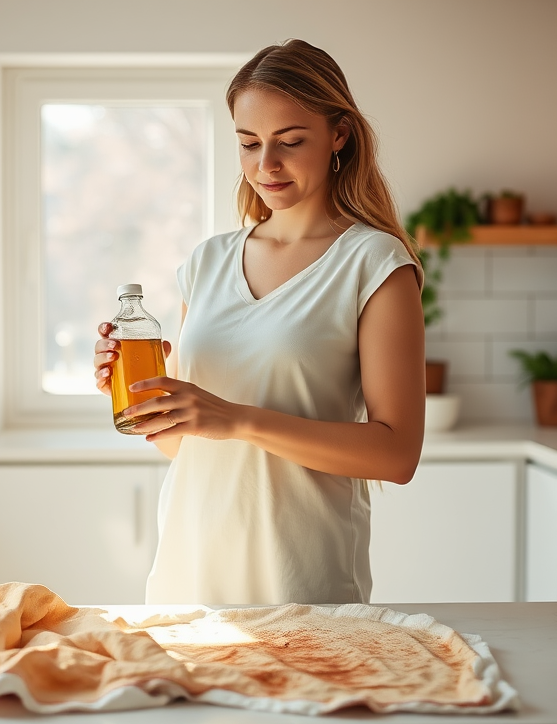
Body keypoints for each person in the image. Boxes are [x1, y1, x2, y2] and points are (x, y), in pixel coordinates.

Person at [93, 39, 425, 605]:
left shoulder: (375, 265)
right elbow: (189, 446)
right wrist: (135, 397)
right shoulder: (207, 262)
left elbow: (395, 456)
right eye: (249, 144)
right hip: (189, 572)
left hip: (300, 581)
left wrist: (238, 418)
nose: (265, 165)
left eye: (290, 142)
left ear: (338, 134)